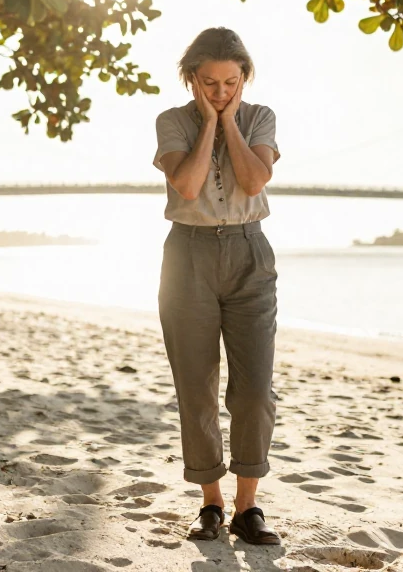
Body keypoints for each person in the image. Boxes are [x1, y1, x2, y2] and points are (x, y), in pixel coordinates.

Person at [152, 27, 282, 545]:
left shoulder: (261, 118)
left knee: (253, 391)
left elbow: (254, 181)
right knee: (196, 389)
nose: (221, 92)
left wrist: (230, 122)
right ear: (191, 81)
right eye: (209, 84)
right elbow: (186, 184)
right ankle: (211, 503)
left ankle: (248, 508)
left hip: (250, 254)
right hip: (188, 255)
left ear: (244, 79)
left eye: (231, 82)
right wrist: (209, 123)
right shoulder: (171, 122)